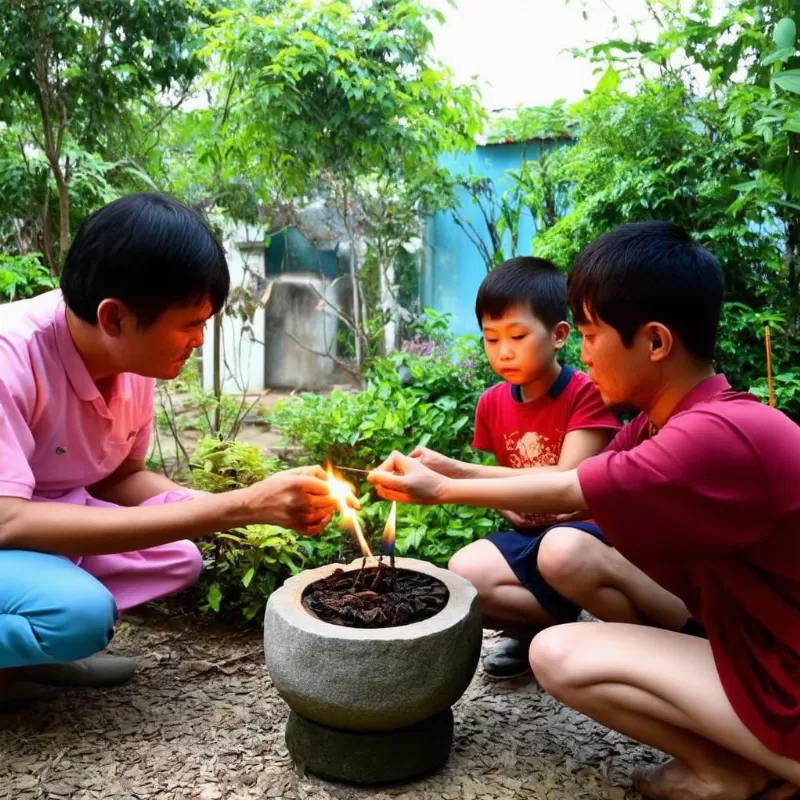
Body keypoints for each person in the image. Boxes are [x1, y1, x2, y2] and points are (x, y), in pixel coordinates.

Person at [369, 221, 800, 800]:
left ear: (654, 341)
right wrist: (458, 470)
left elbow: (571, 495)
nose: (584, 350)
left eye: (593, 331)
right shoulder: (669, 420)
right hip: (758, 649)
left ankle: (741, 768)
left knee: (558, 651)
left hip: (786, 676)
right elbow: (566, 478)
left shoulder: (713, 435)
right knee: (560, 625)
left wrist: (441, 491)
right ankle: (734, 761)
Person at [0, 193, 337, 710]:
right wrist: (241, 506)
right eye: (189, 324)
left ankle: (31, 652)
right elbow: (9, 521)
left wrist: (232, 505)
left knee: (177, 555)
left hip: (43, 523)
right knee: (81, 615)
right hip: (10, 528)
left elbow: (117, 476)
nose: (199, 341)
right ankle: (45, 632)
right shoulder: (11, 357)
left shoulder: (130, 361)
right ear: (114, 318)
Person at [416, 257, 689, 680]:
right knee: (464, 576)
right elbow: (506, 476)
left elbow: (568, 481)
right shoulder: (492, 402)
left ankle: (663, 649)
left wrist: (451, 477)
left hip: (588, 530)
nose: (504, 351)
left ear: (560, 334)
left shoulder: (587, 392)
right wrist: (506, 506)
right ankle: (546, 629)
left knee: (561, 548)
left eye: (518, 336)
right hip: (533, 533)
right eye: (491, 339)